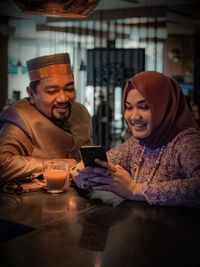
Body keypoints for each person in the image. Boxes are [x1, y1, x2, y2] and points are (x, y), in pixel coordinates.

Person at [72, 71, 200, 207]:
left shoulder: (186, 140)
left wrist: (135, 190)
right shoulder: (138, 143)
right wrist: (80, 171)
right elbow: (108, 160)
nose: (133, 117)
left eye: (144, 107)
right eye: (128, 107)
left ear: (165, 107)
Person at [0, 53, 93, 182]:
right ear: (32, 94)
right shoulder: (21, 119)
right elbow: (3, 163)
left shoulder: (81, 112)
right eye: (51, 91)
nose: (63, 98)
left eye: (69, 89)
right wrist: (60, 165)